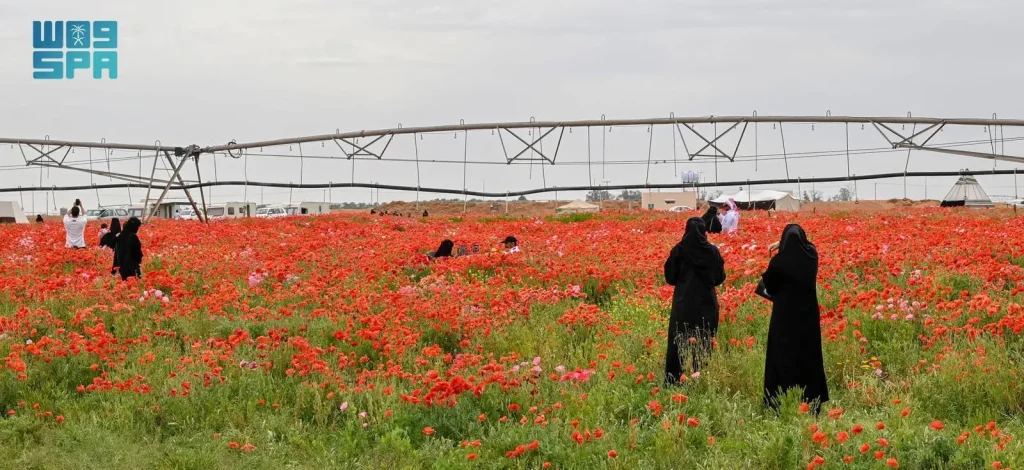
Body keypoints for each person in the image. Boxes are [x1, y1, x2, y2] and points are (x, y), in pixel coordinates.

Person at [760, 224, 829, 414]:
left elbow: (770, 288)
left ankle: (780, 401)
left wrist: (779, 247)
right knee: (808, 356)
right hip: (807, 318)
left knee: (782, 357)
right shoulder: (811, 257)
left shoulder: (778, 263)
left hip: (784, 318)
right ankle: (811, 401)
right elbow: (810, 245)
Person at [663, 217, 726, 385]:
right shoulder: (712, 251)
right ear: (704, 231)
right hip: (707, 303)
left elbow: (670, 277)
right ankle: (700, 377)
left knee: (679, 340)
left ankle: (674, 378)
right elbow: (720, 277)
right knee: (704, 339)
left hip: (683, 303)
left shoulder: (679, 250)